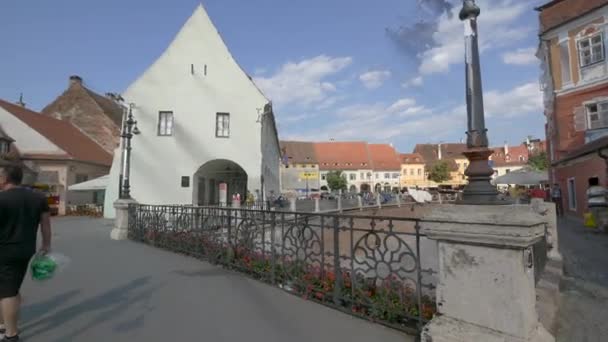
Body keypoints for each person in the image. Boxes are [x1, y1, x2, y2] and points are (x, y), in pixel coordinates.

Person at [0, 165, 52, 341]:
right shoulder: (38, 198)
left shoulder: (1, 199)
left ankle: (11, 335)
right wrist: (46, 245)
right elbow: (45, 224)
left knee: (8, 292)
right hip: (26, 250)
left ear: (4, 178)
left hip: (4, 251)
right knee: (10, 287)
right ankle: (3, 324)